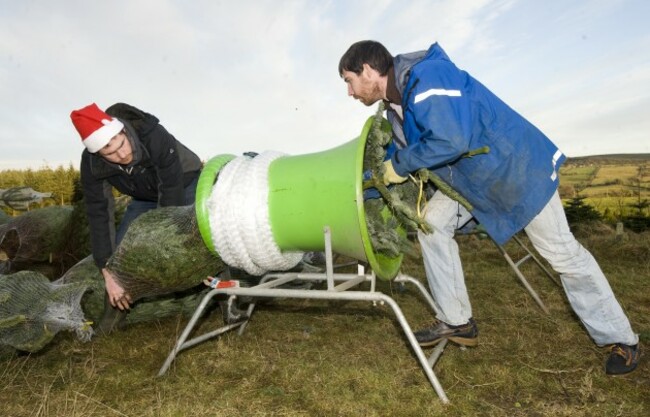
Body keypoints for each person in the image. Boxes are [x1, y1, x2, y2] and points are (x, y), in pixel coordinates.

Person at [338, 40, 640, 375]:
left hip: (516, 169)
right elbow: (397, 163)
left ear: (368, 70)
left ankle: (621, 339)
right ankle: (457, 321)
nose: (350, 92)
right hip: (475, 181)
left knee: (562, 254)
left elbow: (450, 140)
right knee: (432, 224)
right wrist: (361, 186)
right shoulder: (396, 108)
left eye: (349, 81)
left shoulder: (427, 77)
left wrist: (402, 165)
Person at [70, 102, 202, 330]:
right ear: (98, 154)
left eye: (122, 144)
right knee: (122, 253)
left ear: (122, 130)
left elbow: (170, 192)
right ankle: (111, 322)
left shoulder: (152, 134)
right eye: (109, 154)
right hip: (142, 197)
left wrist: (160, 240)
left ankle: (221, 290)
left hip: (184, 182)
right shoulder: (92, 165)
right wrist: (107, 269)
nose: (122, 155)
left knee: (186, 237)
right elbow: (98, 213)